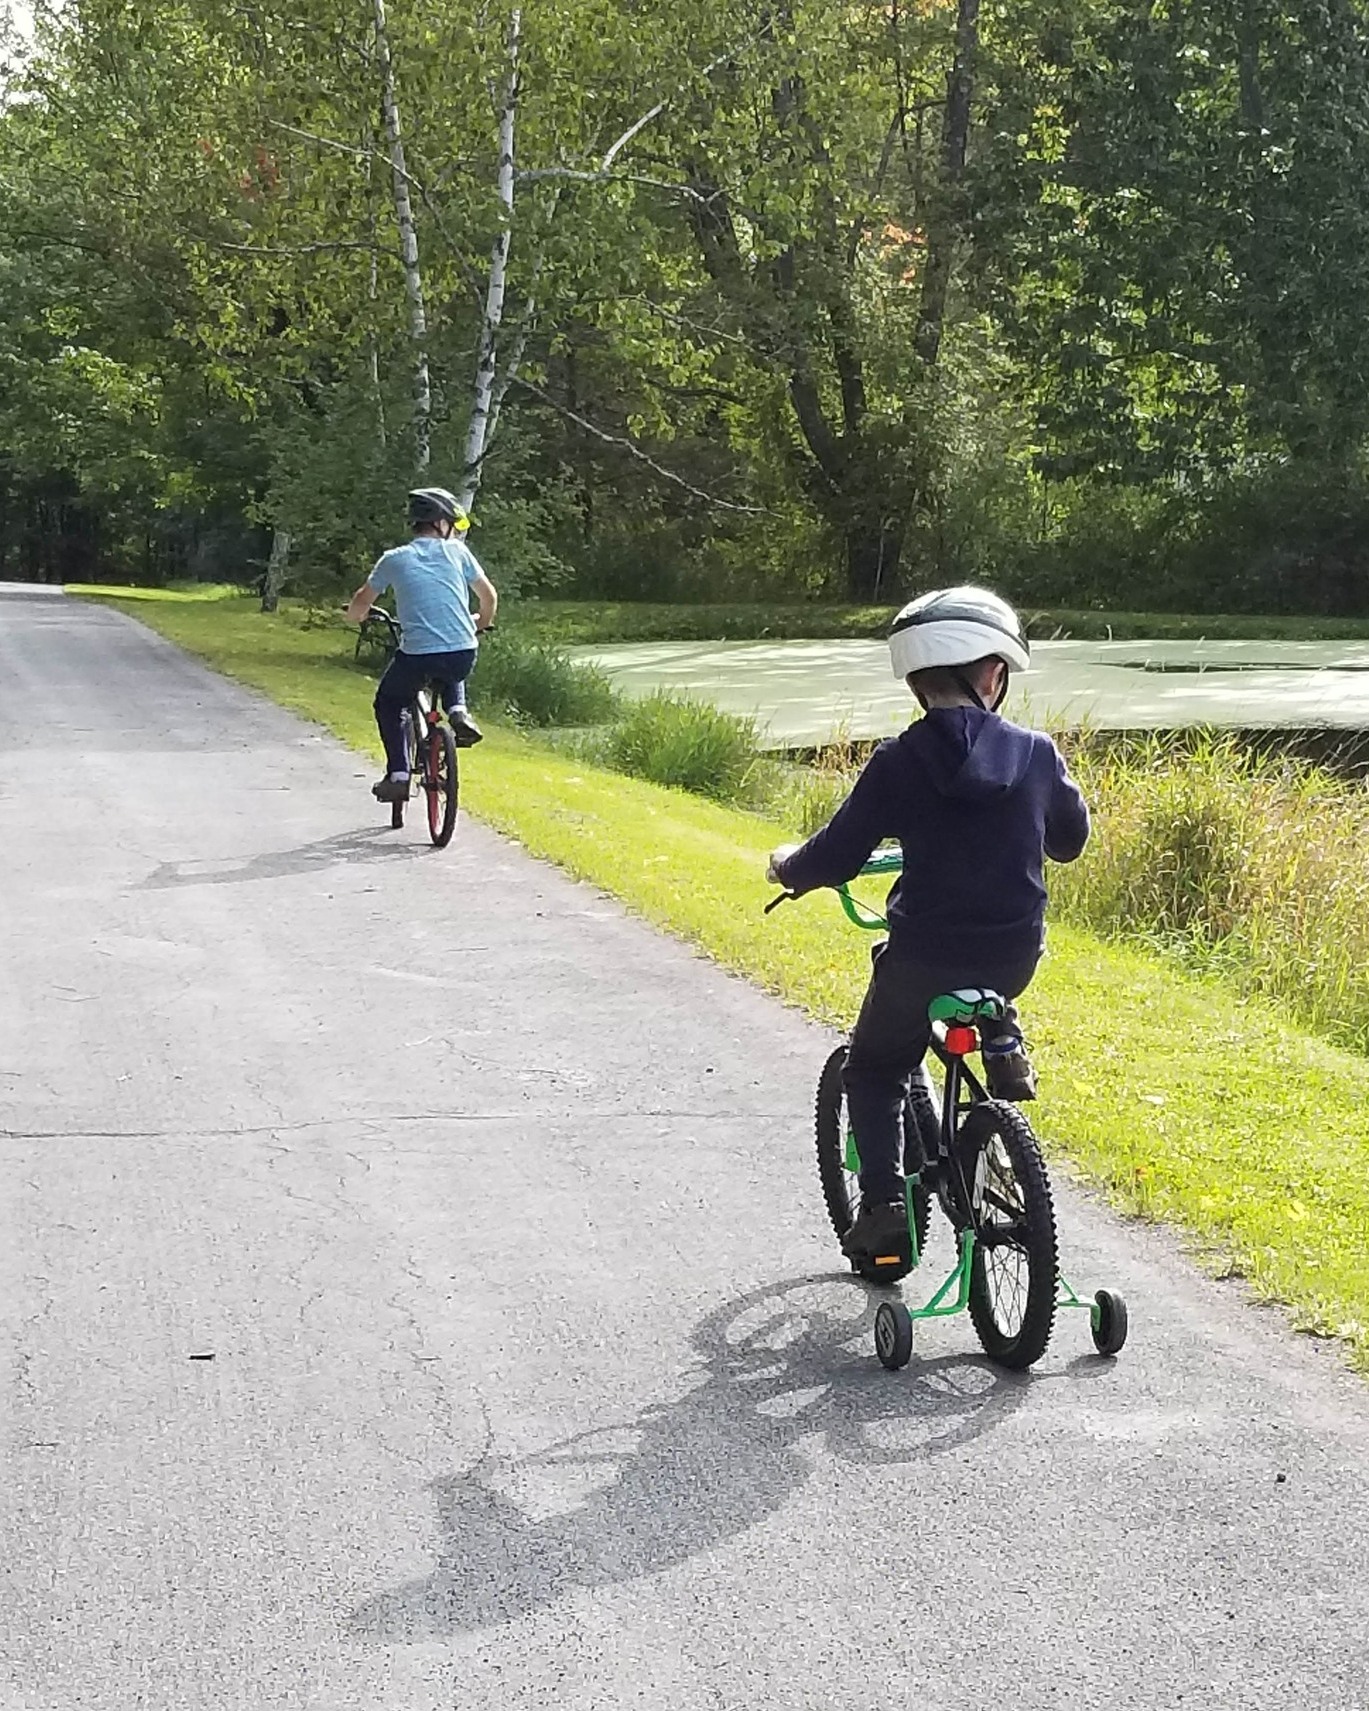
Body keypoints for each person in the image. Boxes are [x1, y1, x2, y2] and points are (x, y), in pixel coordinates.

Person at [766, 586, 1089, 1273]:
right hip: (1013, 954)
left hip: (922, 958)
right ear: (993, 674)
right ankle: (1000, 1037)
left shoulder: (898, 761)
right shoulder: (1037, 753)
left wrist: (787, 867)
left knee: (875, 1067)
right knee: (973, 999)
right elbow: (1069, 842)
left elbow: (836, 855)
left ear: (916, 680)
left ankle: (885, 1209)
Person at [345, 486, 498, 803]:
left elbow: (362, 600)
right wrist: (481, 623)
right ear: (441, 523)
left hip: (417, 657)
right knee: (453, 662)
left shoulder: (394, 559)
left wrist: (356, 617)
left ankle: (399, 775)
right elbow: (489, 597)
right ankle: (458, 712)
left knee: (389, 703)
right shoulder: (458, 552)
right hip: (462, 651)